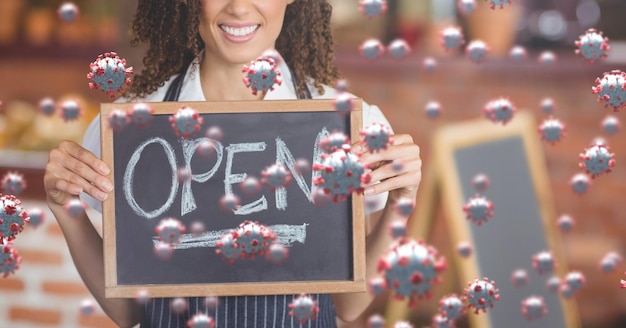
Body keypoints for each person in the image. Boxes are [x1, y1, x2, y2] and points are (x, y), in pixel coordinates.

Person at [43, 0, 422, 327]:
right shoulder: (127, 126)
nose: (239, 7)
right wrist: (67, 210)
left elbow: (351, 305)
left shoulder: (350, 125)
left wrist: (400, 202)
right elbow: (127, 312)